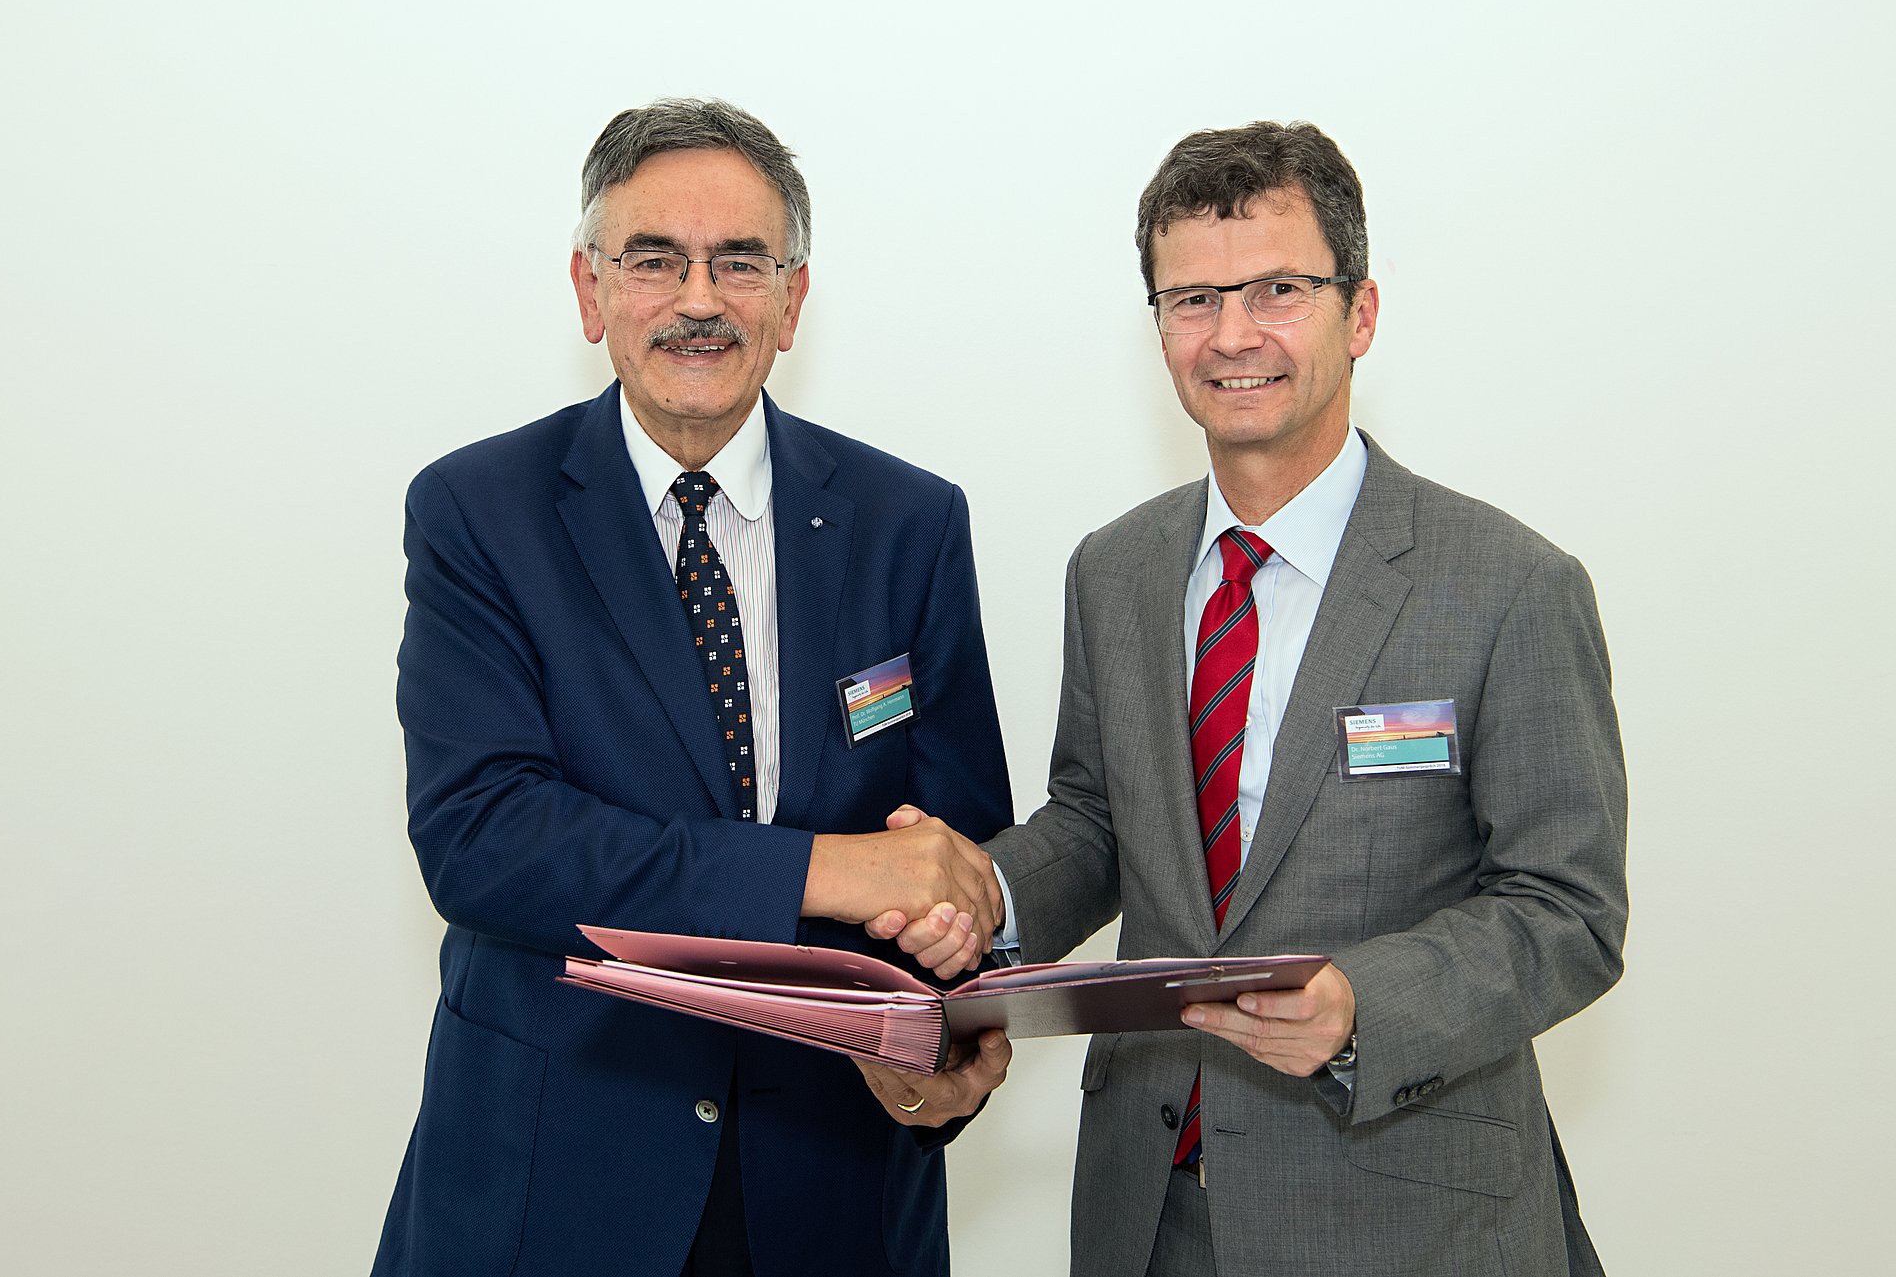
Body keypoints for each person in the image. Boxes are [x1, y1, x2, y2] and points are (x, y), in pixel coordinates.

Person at [877, 121, 1628, 1275]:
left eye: (1278, 289)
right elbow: (1096, 822)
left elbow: (1568, 909)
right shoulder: (1115, 570)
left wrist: (1361, 1001)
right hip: (1152, 1205)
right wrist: (982, 898)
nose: (1233, 335)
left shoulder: (1511, 586)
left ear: (1360, 313)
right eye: (1192, 299)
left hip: (1410, 1215)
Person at [372, 98, 1014, 1277]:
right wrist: (823, 869)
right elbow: (484, 840)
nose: (700, 299)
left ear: (794, 300)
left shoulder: (910, 522)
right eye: (655, 260)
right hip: (555, 1195)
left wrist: (947, 1044)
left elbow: (955, 849)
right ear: (589, 289)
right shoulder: (478, 514)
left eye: (740, 262)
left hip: (836, 1190)